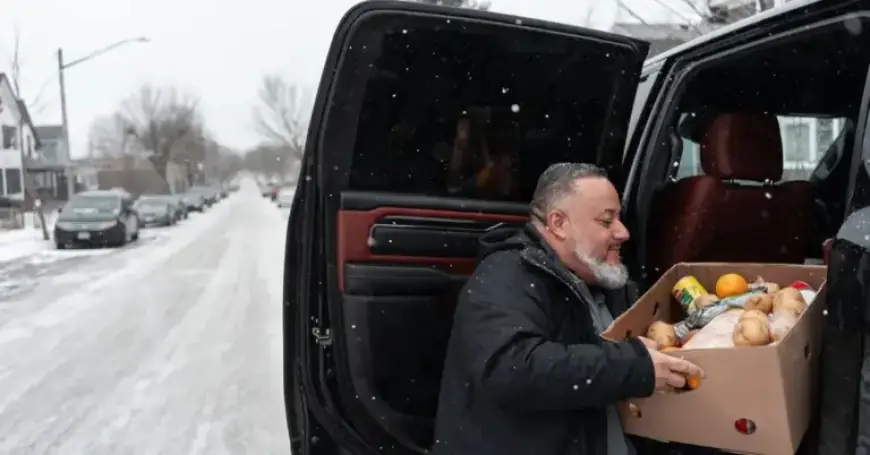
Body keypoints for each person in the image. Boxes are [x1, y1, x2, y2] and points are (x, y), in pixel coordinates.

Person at [431, 163, 704, 455]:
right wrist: (636, 367)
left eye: (619, 218)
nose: (623, 232)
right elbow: (512, 369)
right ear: (558, 224)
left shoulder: (608, 281)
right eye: (606, 220)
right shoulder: (506, 275)